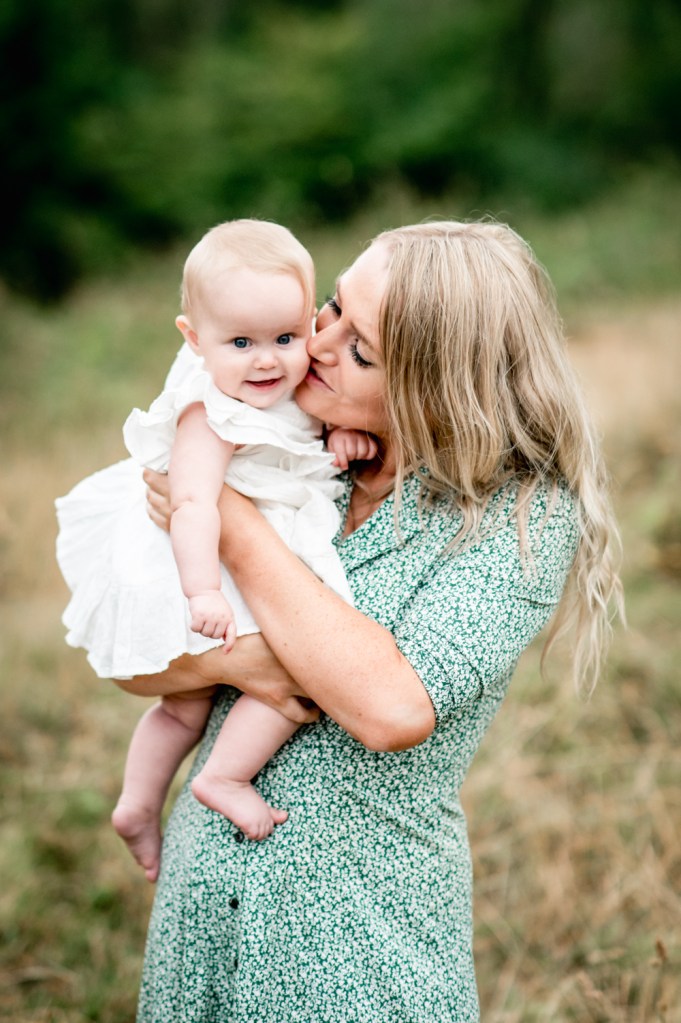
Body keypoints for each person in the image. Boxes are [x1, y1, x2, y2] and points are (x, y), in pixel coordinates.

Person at [124, 220, 622, 1022]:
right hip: (203, 912)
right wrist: (234, 665)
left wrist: (229, 519)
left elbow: (391, 708)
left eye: (361, 351)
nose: (314, 345)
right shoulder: (266, 434)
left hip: (356, 938)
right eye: (331, 309)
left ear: (437, 386)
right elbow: (129, 657)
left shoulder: (516, 515)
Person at [55, 220, 376, 881]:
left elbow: (306, 445)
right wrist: (201, 590)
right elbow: (193, 502)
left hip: (251, 553)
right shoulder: (207, 411)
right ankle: (216, 780)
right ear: (193, 339)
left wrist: (338, 445)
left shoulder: (294, 390)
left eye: (286, 338)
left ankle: (139, 804)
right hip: (198, 560)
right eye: (240, 342)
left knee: (186, 707)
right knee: (275, 685)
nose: (266, 359)